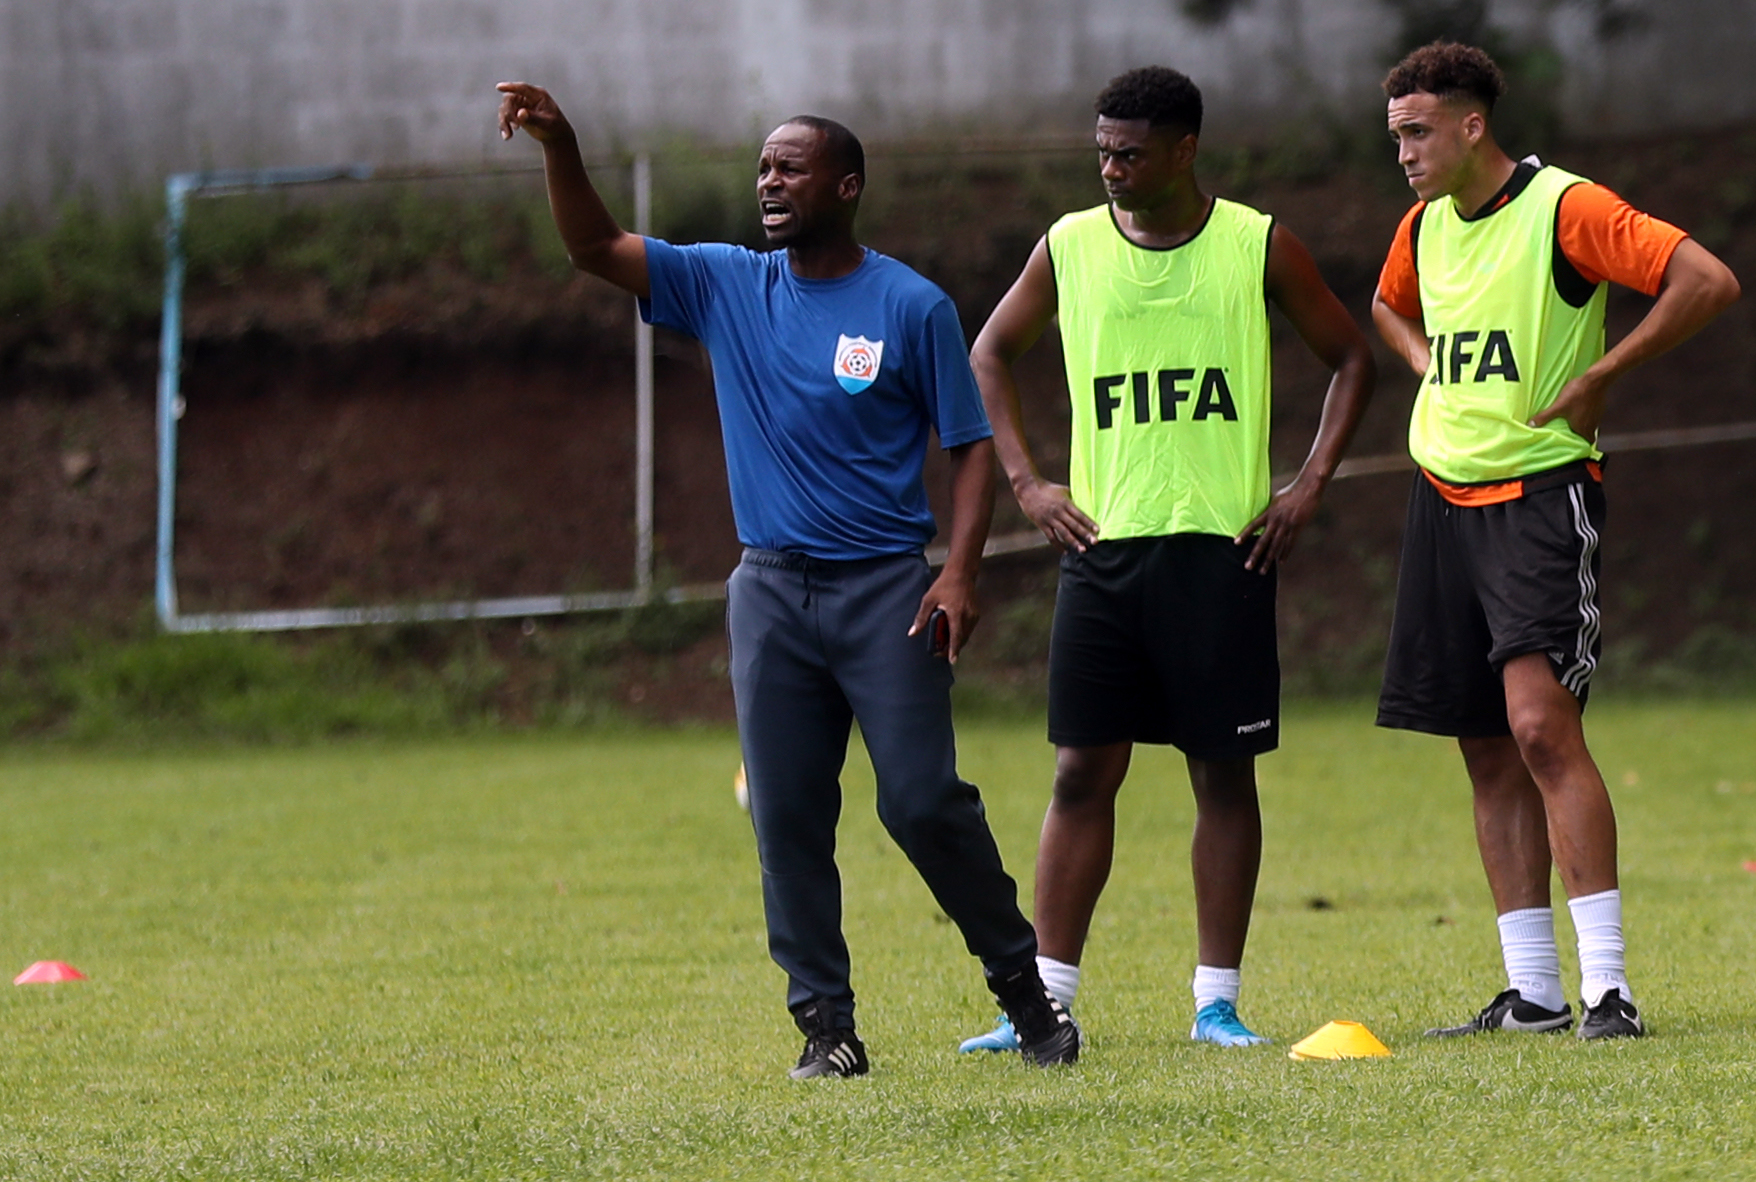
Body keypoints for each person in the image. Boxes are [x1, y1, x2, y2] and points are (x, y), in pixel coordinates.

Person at [491, 82, 1076, 1075]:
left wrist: (959, 575)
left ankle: (1025, 995)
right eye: (762, 165)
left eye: (790, 166)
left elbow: (969, 447)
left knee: (922, 800)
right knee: (786, 809)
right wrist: (562, 146)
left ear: (844, 186)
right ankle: (826, 1030)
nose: (769, 180)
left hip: (887, 591)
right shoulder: (726, 283)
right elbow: (596, 249)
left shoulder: (909, 304)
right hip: (768, 591)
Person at [957, 67, 1375, 1053]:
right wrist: (1027, 484)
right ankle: (1044, 999)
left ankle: (1215, 1002)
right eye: (1101, 150)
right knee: (1076, 773)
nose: (1110, 167)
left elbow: (1351, 357)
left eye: (1129, 152)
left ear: (1183, 149)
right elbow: (987, 354)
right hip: (1102, 549)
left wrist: (1307, 484)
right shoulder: (1067, 247)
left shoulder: (1256, 242)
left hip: (1221, 551)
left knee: (1222, 774)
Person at [1369, 41, 1741, 1042]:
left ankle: (1609, 989)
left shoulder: (1563, 208)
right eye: (1394, 133)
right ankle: (1531, 992)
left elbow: (1705, 280)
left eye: (1416, 131)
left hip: (1536, 495)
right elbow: (1387, 303)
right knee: (1483, 743)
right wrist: (1424, 369)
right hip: (1440, 498)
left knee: (1539, 728)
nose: (1401, 151)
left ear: (1470, 124)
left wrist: (1604, 372)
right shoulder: (1422, 225)